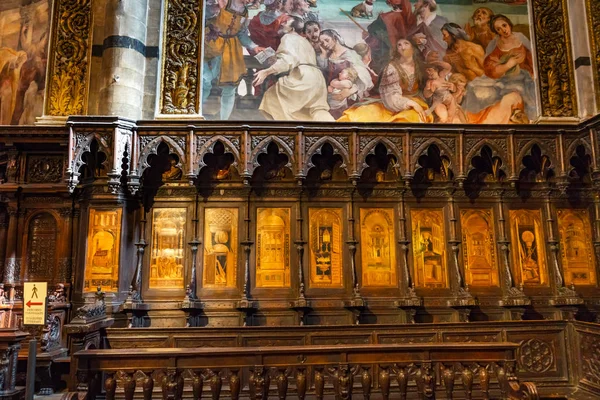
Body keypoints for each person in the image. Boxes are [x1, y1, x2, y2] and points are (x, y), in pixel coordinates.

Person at [253, 17, 334, 121]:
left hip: (302, 76)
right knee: (317, 111)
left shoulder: (289, 37)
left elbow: (288, 60)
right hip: (317, 78)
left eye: (286, 22)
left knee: (271, 98)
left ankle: (286, 132)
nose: (282, 24)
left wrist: (266, 71)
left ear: (292, 28)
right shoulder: (304, 41)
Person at [338, 38, 432, 123]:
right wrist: (409, 103)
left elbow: (427, 91)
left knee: (407, 120)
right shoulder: (392, 68)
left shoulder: (421, 67)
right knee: (362, 116)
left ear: (413, 48)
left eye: (406, 43)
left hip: (415, 103)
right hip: (390, 102)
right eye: (399, 45)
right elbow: (391, 95)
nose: (402, 47)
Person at [463, 14, 536, 122]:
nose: (503, 30)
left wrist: (532, 72)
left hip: (521, 76)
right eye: (499, 29)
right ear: (496, 32)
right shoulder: (495, 43)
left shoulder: (520, 37)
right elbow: (488, 66)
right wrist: (507, 65)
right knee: (473, 86)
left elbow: (532, 58)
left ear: (509, 24)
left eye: (504, 25)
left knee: (519, 92)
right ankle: (473, 120)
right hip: (499, 76)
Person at [203, 0, 264, 120]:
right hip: (211, 44)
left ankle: (223, 122)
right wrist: (214, 9)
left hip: (231, 50)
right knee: (205, 81)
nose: (250, 1)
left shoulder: (245, 12)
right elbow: (202, 18)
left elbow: (241, 34)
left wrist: (254, 46)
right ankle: (196, 115)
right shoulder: (222, 2)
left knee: (230, 88)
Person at [318, 30, 373, 102]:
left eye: (327, 40)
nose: (325, 44)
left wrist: (349, 92)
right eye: (322, 43)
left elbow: (363, 77)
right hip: (329, 95)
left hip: (346, 97)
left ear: (334, 38)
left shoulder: (350, 54)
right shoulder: (327, 55)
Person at [363, 0, 414, 74]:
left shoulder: (385, 17)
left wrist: (367, 38)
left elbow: (378, 42)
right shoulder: (410, 17)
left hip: (387, 58)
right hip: (400, 58)